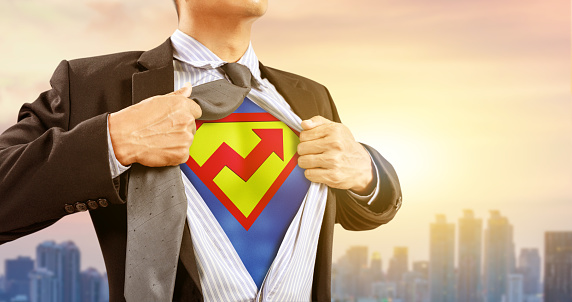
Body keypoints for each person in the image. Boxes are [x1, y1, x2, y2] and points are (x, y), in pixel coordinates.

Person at [0, 0, 402, 301]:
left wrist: (366, 171)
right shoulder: (95, 85)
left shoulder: (310, 96)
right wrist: (113, 139)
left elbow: (357, 207)